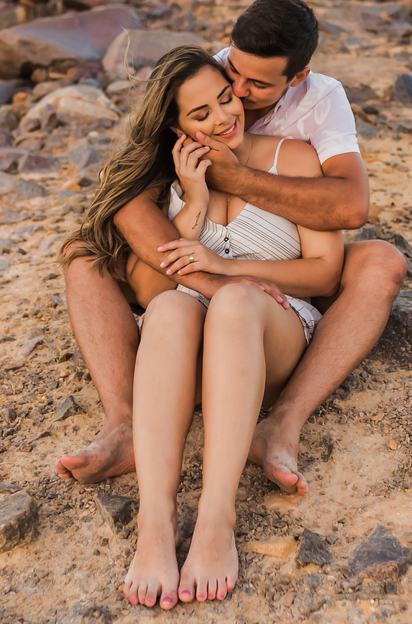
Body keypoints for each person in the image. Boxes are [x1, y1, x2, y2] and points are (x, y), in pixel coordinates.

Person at [57, 0, 407, 496]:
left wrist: (238, 181)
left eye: (254, 86)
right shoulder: (209, 74)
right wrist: (213, 272)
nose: (236, 96)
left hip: (280, 270)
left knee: (382, 261)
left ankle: (283, 421)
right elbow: (130, 197)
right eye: (231, 77)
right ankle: (124, 423)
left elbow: (351, 207)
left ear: (297, 76)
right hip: (196, 269)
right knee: (86, 257)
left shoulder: (320, 103)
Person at [66, 45, 344, 607]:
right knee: (168, 309)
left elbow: (323, 273)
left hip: (272, 330)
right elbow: (165, 278)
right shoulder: (170, 182)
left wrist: (229, 270)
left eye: (225, 99)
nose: (223, 118)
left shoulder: (292, 159)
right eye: (201, 114)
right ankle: (156, 520)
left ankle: (217, 517)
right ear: (174, 126)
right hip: (191, 341)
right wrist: (192, 196)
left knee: (237, 302)